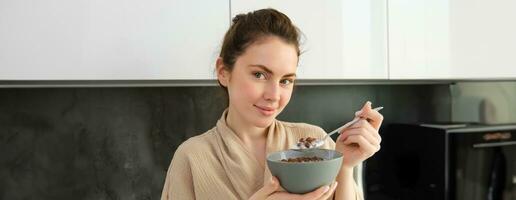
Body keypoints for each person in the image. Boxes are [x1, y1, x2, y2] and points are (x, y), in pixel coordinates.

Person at [161, 8, 383, 200]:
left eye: (286, 80)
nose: (274, 95)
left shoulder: (318, 144)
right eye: (259, 75)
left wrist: (344, 165)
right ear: (223, 72)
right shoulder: (192, 158)